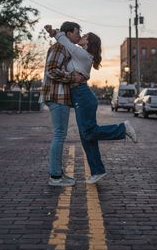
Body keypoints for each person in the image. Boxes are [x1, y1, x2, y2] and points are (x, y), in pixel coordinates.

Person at [45, 25, 138, 184]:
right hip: (80, 95)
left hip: (82, 95)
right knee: (86, 136)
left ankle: (122, 128)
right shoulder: (79, 54)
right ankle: (97, 170)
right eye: (79, 33)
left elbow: (65, 42)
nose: (81, 35)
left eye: (84, 35)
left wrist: (54, 33)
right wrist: (55, 34)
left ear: (88, 42)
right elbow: (66, 46)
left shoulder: (83, 54)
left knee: (88, 133)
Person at [42, 21, 85, 187]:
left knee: (60, 134)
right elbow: (51, 70)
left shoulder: (65, 48)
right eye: (76, 33)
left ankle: (58, 173)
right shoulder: (59, 47)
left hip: (60, 96)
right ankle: (55, 176)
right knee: (59, 135)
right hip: (57, 95)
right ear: (68, 34)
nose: (78, 36)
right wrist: (72, 77)